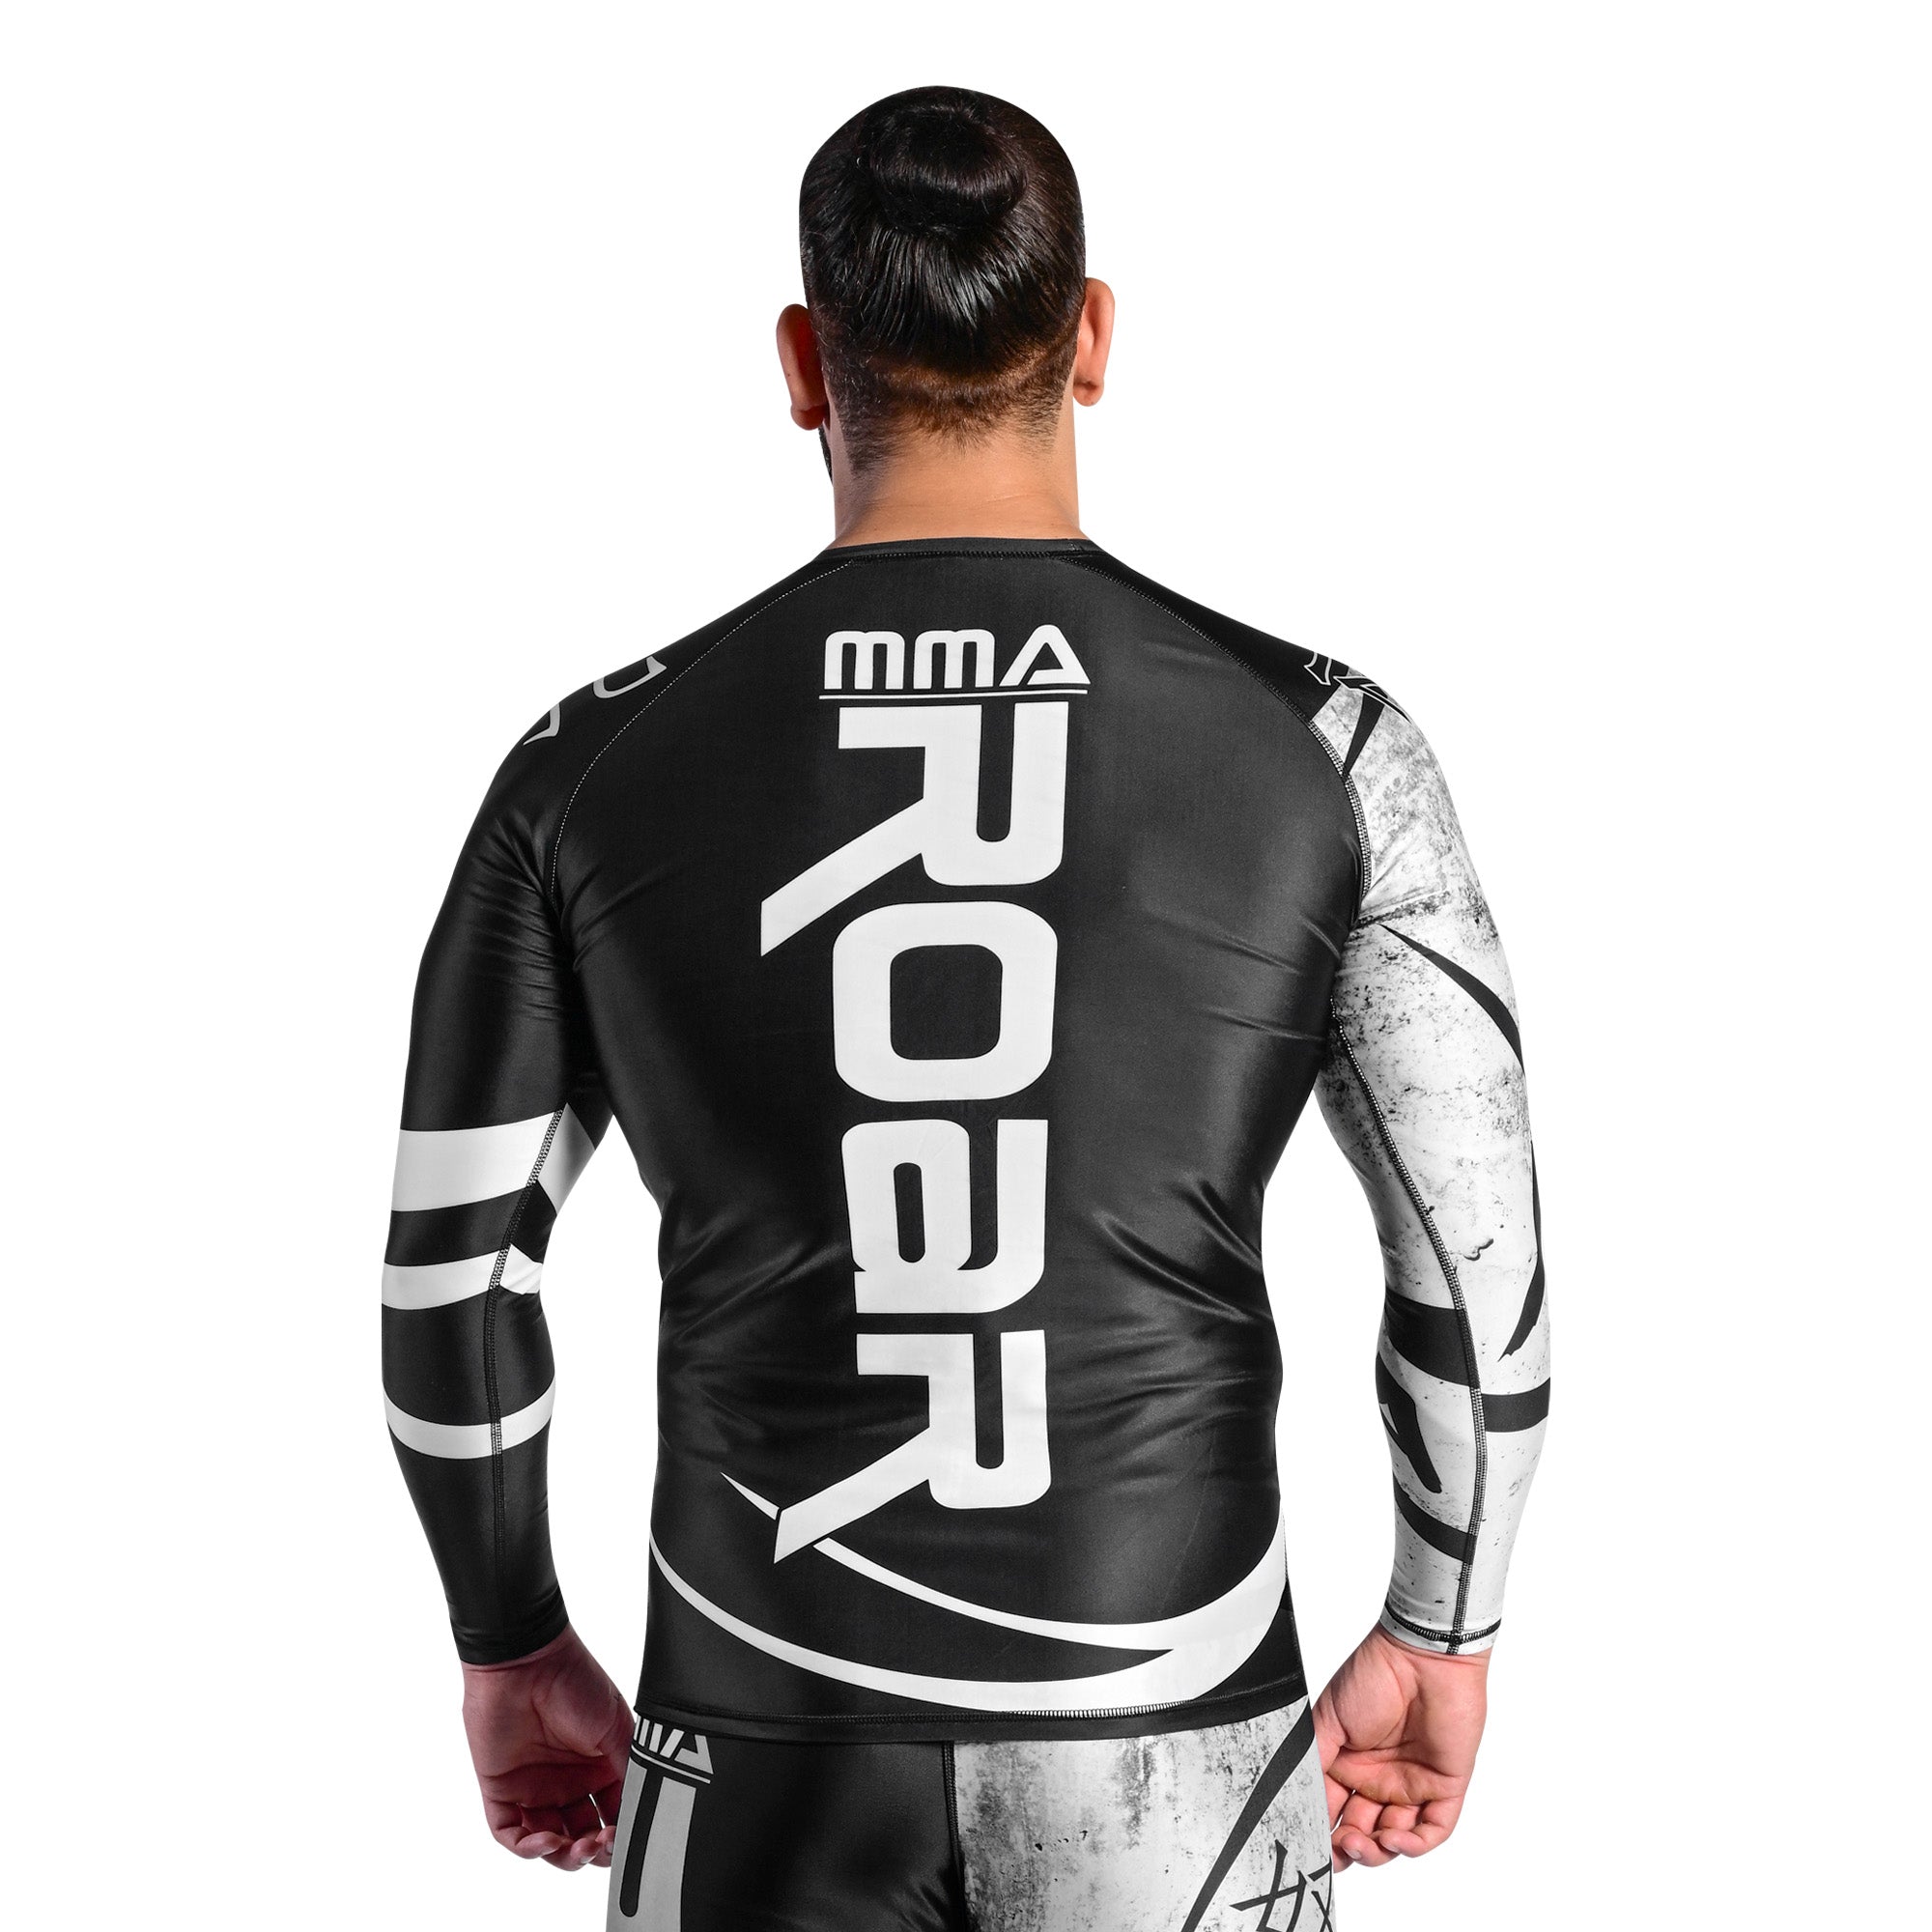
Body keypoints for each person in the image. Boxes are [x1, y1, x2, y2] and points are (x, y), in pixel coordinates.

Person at [383, 85, 1548, 1931]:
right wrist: (1442, 1626)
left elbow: (453, 1285)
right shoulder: (1324, 748)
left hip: (756, 1740)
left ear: (801, 364)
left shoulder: (588, 766)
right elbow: (1477, 1276)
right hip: (1176, 1742)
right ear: (1092, 341)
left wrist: (510, 1637)